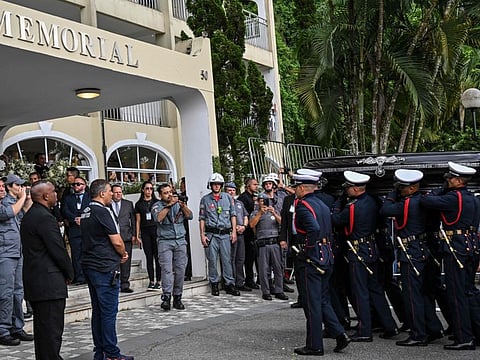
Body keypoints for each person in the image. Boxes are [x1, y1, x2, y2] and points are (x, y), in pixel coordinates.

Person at [331, 171, 398, 342]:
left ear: (355, 189)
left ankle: (365, 330)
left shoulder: (352, 207)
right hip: (371, 248)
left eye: (348, 188)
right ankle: (390, 326)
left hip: (358, 251)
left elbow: (337, 221)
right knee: (376, 290)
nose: (346, 191)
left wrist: (338, 204)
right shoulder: (373, 201)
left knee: (360, 291)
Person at [380, 169, 444, 347]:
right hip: (424, 249)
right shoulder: (424, 201)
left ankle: (418, 334)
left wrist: (392, 193)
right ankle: (433, 327)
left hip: (411, 251)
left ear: (412, 187)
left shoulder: (407, 204)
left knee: (412, 295)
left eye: (402, 187)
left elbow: (385, 210)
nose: (400, 190)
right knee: (423, 293)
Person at [420, 161, 478, 350]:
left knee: (457, 294)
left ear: (459, 180)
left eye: (450, 178)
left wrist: (439, 189)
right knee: (469, 292)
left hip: (456, 249)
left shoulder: (453, 198)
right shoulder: (473, 198)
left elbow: (426, 200)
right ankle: (475, 332)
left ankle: (464, 337)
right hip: (470, 247)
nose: (448, 181)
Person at [292, 171, 350, 356]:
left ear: (302, 188)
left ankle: (314, 345)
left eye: (295, 187)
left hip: (312, 259)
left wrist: (307, 249)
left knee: (312, 303)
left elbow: (314, 229)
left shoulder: (303, 206)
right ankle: (339, 333)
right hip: (327, 256)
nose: (295, 191)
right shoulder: (322, 204)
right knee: (323, 300)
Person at [20, 180, 74, 359]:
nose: (56, 195)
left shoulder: (30, 215)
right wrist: (69, 272)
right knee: (51, 333)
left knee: (44, 333)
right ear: (45, 196)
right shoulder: (44, 218)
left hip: (37, 282)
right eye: (53, 192)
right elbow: (57, 249)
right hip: (49, 284)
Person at [80, 179, 133, 360]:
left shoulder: (86, 211)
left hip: (91, 265)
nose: (112, 194)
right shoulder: (103, 211)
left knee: (99, 311)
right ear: (102, 193)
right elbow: (117, 240)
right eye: (110, 191)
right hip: (104, 267)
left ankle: (100, 351)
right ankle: (111, 352)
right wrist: (123, 253)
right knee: (109, 312)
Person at [0, 174, 33, 346]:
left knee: (18, 291)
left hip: (17, 252)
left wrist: (26, 198)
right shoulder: (4, 205)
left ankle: (17, 327)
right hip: (4, 254)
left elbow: (25, 213)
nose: (21, 188)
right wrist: (21, 198)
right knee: (5, 293)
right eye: (17, 185)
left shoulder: (16, 203)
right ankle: (3, 329)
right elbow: (8, 213)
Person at [152, 183, 193, 310]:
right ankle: (166, 297)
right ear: (160, 195)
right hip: (165, 241)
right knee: (167, 270)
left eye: (170, 192)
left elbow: (190, 216)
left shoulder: (178, 204)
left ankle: (178, 297)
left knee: (180, 270)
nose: (169, 195)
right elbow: (158, 218)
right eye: (165, 193)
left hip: (180, 241)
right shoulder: (157, 206)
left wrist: (182, 205)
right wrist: (169, 206)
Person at [199, 173, 240, 296]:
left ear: (221, 185)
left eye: (218, 184)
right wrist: (202, 234)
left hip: (225, 234)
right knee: (212, 260)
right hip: (212, 234)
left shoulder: (228, 198)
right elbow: (202, 218)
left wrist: (234, 232)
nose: (216, 186)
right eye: (214, 184)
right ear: (210, 185)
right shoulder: (205, 200)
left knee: (227, 260)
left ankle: (229, 284)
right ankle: (214, 284)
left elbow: (233, 215)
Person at [249, 193, 288, 301]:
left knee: (278, 268)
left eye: (265, 200)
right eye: (260, 200)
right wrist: (260, 213)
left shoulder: (273, 211)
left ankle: (279, 290)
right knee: (263, 269)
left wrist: (274, 213)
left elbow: (282, 223)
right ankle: (266, 291)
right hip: (263, 243)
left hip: (275, 242)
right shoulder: (255, 213)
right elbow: (251, 225)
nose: (263, 202)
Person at [61, 176, 90, 285]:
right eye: (74, 184)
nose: (76, 186)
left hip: (87, 229)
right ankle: (79, 277)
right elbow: (65, 210)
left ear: (84, 185)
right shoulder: (68, 198)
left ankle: (88, 276)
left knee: (87, 254)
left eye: (79, 184)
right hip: (74, 229)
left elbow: (92, 209)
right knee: (76, 254)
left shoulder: (89, 197)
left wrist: (83, 219)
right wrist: (74, 219)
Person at [134, 181, 161, 291]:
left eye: (151, 189)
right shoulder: (139, 204)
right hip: (145, 231)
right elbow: (138, 220)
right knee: (149, 257)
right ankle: (151, 280)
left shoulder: (157, 202)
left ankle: (159, 280)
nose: (149, 191)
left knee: (158, 256)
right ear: (143, 190)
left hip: (156, 230)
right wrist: (137, 235)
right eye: (147, 188)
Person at [224, 182, 251, 291]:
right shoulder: (223, 203)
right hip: (230, 234)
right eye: (229, 190)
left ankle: (240, 282)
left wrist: (244, 226)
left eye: (233, 190)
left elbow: (245, 216)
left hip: (241, 234)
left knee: (240, 259)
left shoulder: (239, 203)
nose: (231, 192)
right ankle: (232, 282)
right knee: (231, 259)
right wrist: (234, 228)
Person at [111, 184, 137, 293]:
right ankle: (115, 283)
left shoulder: (128, 204)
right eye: (116, 192)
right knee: (115, 261)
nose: (118, 194)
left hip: (126, 236)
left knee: (126, 262)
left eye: (120, 192)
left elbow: (133, 220)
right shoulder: (107, 204)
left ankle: (125, 284)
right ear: (112, 193)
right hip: (112, 237)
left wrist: (134, 234)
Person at [237, 177, 260, 289]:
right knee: (248, 257)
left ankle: (256, 278)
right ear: (248, 186)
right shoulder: (243, 198)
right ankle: (248, 280)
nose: (257, 186)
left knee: (255, 256)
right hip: (247, 232)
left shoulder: (253, 197)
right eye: (254, 184)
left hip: (255, 231)